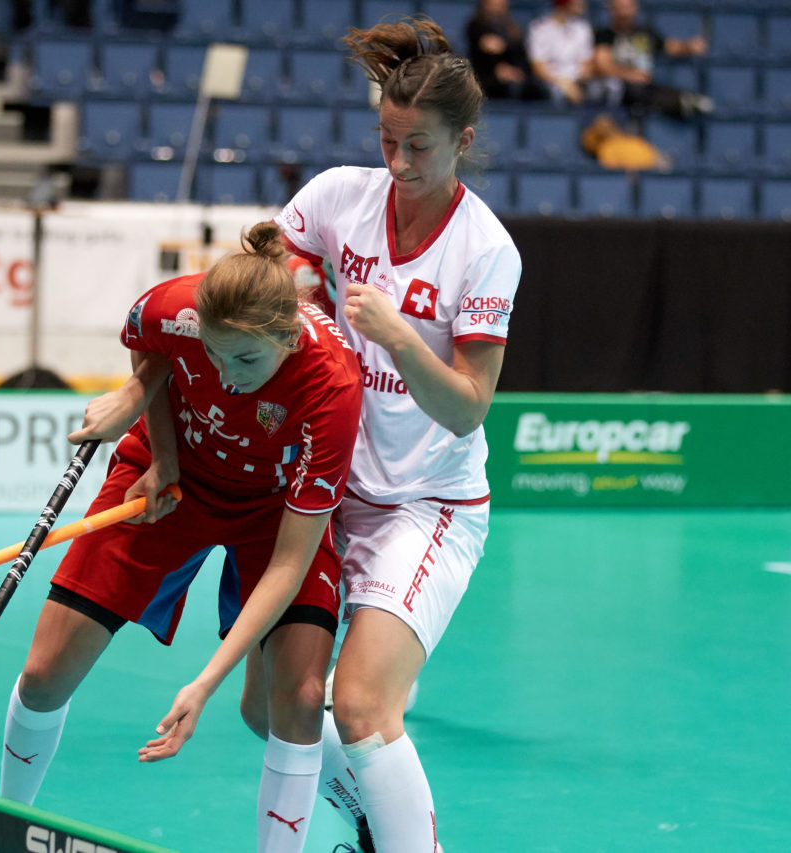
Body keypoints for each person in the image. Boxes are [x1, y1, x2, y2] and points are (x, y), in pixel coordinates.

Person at [0, 222, 364, 853]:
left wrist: (204, 683)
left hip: (275, 512)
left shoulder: (332, 386)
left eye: (246, 359)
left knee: (295, 702)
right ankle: (2, 829)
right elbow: (153, 350)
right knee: (43, 675)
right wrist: (155, 437)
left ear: (289, 336)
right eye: (216, 354)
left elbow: (288, 563)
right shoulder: (178, 308)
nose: (225, 376)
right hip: (170, 482)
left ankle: (351, 809)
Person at [254, 16, 522, 853]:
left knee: (364, 708)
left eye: (422, 149)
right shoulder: (341, 195)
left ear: (464, 140)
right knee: (269, 707)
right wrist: (289, 280)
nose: (400, 165)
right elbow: (276, 254)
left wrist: (402, 339)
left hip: (427, 504)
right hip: (330, 494)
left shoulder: (486, 250)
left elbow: (469, 405)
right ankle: (379, 822)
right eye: (389, 142)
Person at [591, 0, 712, 121]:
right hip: (616, 89)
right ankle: (681, 101)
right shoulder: (604, 35)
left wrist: (689, 46)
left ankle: (683, 101)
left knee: (646, 88)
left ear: (635, 8)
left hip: (643, 87)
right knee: (630, 88)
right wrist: (630, 75)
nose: (624, 12)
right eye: (620, 7)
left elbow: (668, 46)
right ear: (611, 10)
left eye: (627, 7)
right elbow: (602, 64)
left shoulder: (644, 34)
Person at [465, 0, 548, 100]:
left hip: (514, 74)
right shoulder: (475, 26)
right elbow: (489, 50)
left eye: (501, 4)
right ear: (484, 4)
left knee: (535, 89)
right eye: (493, 4)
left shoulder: (513, 29)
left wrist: (514, 71)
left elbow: (519, 54)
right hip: (486, 75)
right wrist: (499, 71)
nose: (497, 7)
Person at [526, 0, 596, 105]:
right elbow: (538, 67)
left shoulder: (583, 28)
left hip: (577, 82)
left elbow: (586, 66)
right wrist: (564, 84)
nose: (582, 3)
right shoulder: (539, 27)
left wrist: (574, 84)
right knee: (555, 93)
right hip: (550, 82)